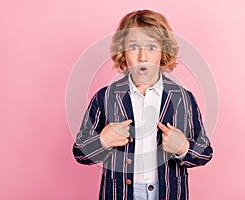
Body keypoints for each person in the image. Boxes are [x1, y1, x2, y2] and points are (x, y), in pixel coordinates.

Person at [73, 9, 213, 200]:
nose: (142, 57)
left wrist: (184, 148)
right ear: (122, 51)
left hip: (169, 194)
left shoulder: (183, 99)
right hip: (119, 194)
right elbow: (80, 153)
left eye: (152, 47)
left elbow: (205, 153)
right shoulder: (105, 97)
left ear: (164, 51)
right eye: (133, 47)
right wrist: (103, 141)